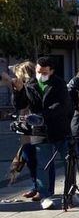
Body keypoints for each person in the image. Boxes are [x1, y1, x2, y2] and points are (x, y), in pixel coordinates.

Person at [11, 56, 73, 209]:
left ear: (51, 71)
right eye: (38, 71)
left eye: (44, 72)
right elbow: (21, 104)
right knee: (42, 164)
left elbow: (62, 105)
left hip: (59, 128)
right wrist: (18, 91)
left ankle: (71, 192)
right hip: (39, 130)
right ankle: (45, 196)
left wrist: (42, 116)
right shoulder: (31, 83)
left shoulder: (59, 84)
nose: (40, 74)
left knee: (69, 161)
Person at [3, 61, 38, 199]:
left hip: (34, 127)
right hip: (26, 127)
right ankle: (36, 186)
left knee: (34, 158)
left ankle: (41, 188)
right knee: (29, 157)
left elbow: (30, 103)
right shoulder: (24, 86)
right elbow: (18, 104)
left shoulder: (33, 85)